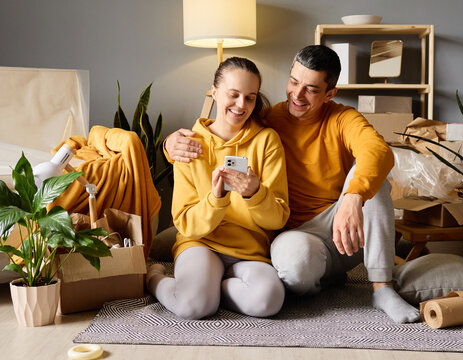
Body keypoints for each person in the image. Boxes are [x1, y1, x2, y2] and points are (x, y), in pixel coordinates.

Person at [164, 45, 420, 323]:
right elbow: (223, 129)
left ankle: (382, 288)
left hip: (342, 224)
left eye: (310, 89)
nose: (297, 95)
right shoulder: (268, 120)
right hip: (297, 235)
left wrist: (353, 197)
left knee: (373, 178)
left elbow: (379, 152)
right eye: (294, 82)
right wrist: (170, 145)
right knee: (290, 270)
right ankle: (323, 280)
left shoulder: (342, 118)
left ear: (329, 94)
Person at [146, 57, 290, 319]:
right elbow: (186, 223)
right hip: (201, 243)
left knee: (268, 301)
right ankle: (155, 280)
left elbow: (277, 218)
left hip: (248, 251)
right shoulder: (188, 144)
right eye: (233, 95)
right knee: (193, 308)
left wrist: (254, 194)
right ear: (214, 92)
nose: (241, 105)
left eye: (250, 97)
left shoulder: (267, 141)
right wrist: (216, 199)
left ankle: (209, 291)